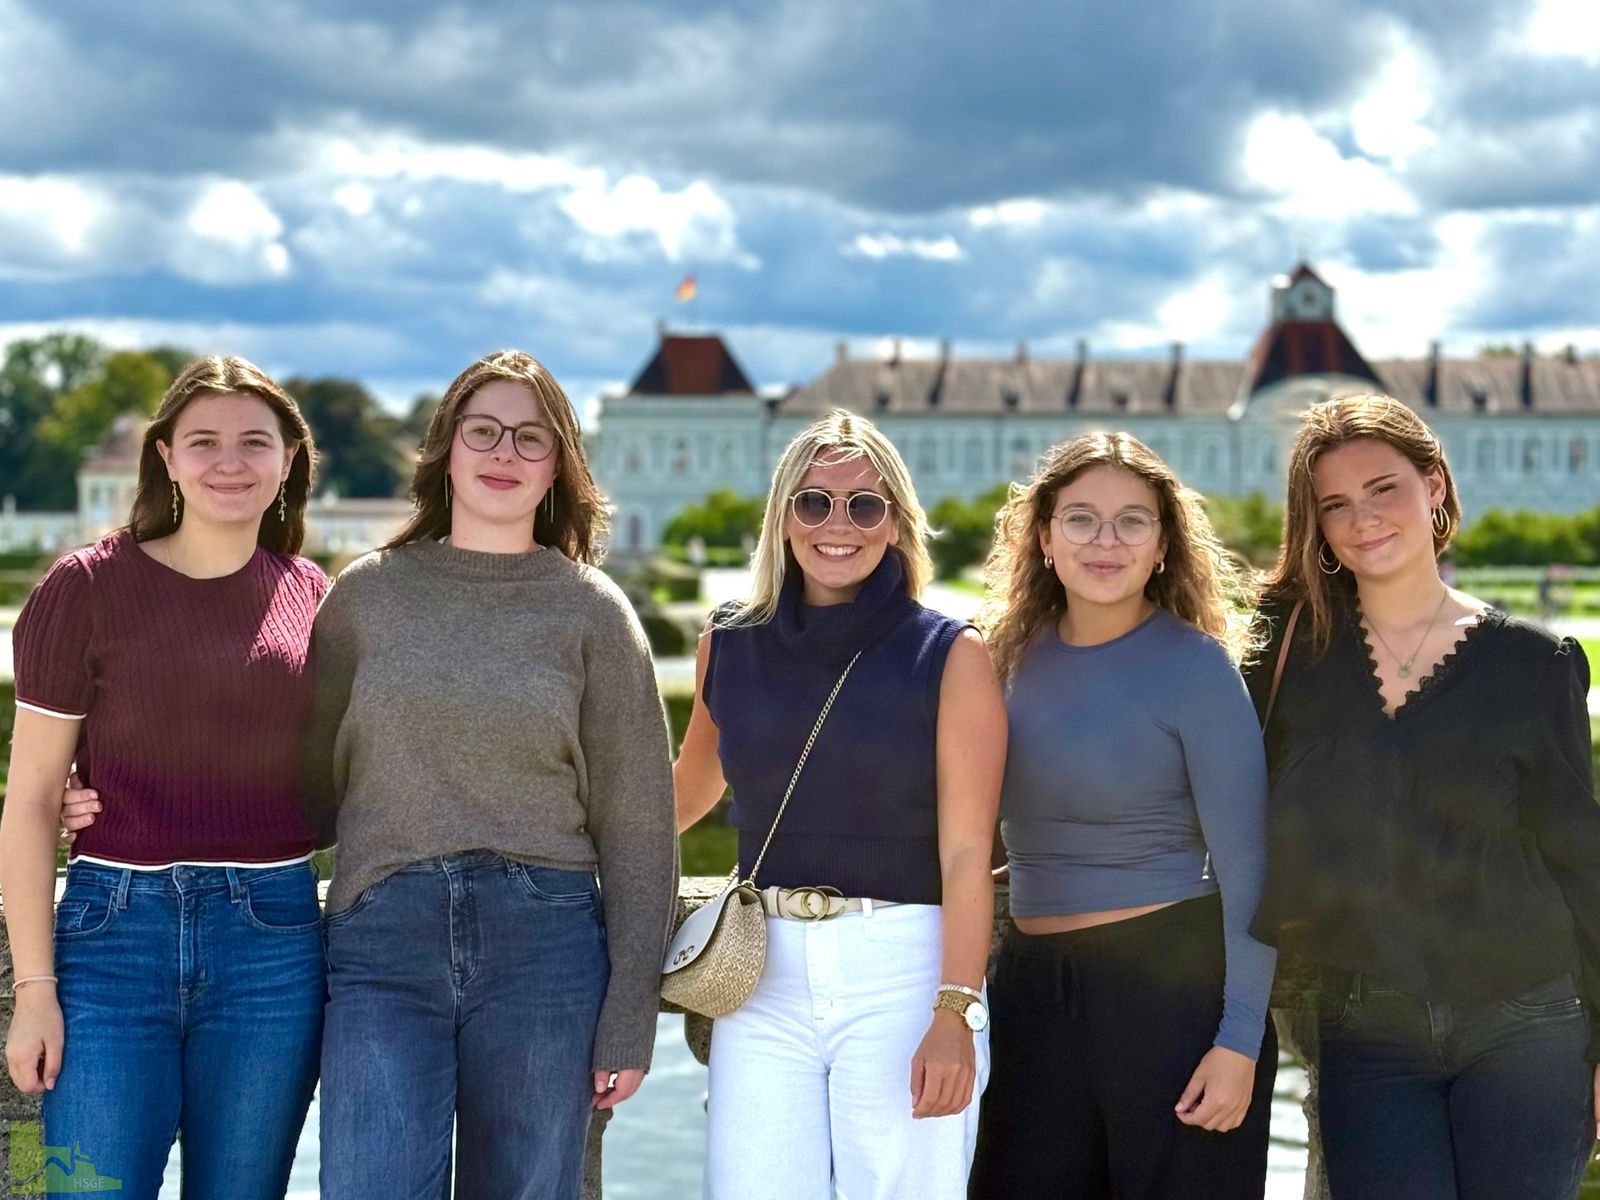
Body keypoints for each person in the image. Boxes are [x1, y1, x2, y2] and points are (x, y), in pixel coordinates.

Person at [305, 350, 677, 1200]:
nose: (504, 452)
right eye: (484, 431)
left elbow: (638, 829)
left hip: (545, 947)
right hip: (383, 940)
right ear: (446, 449)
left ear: (559, 467)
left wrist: (630, 1015)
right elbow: (297, 783)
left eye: (531, 438)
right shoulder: (365, 598)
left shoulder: (592, 611)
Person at [1247, 393, 1598, 1200]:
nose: (1362, 519)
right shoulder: (1294, 654)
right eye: (1334, 504)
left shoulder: (1534, 665)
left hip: (1531, 1024)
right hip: (1370, 1029)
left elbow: (1582, 861)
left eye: (1384, 489)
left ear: (1434, 486)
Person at [1, 357, 326, 1200]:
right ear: (167, 457)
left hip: (275, 944)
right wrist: (34, 992)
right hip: (113, 939)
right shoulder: (83, 588)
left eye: (256, 442)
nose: (231, 461)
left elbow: (346, 775)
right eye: (204, 441)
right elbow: (31, 801)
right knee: (82, 1190)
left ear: (288, 459)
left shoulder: (316, 598)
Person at [674, 409, 1005, 1200]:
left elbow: (968, 856)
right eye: (815, 501)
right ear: (783, 515)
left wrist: (956, 1013)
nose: (838, 524)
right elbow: (683, 792)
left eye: (865, 504)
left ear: (895, 523)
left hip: (904, 968)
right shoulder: (729, 642)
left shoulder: (950, 653)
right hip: (759, 974)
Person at [969, 431, 1277, 1200]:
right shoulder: (1000, 662)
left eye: (1132, 520)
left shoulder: (1195, 667)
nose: (1105, 540)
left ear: (1164, 544)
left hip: (1170, 992)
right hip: (1030, 992)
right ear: (1043, 537)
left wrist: (1238, 1040)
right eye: (1081, 518)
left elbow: (1250, 871)